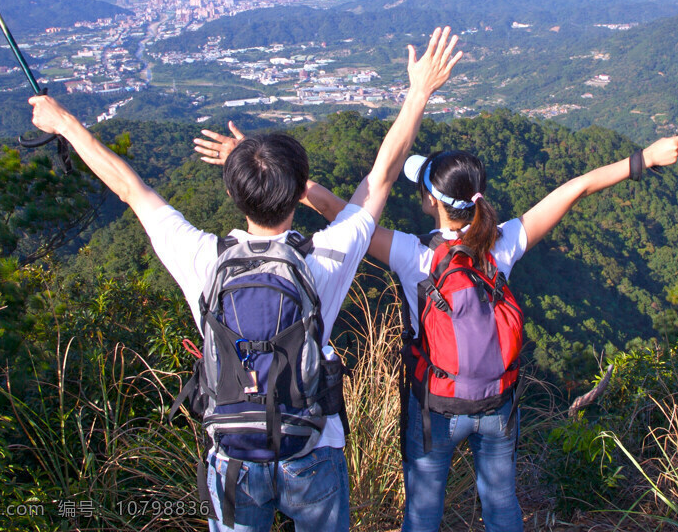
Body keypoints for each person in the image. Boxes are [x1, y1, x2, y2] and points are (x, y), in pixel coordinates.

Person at [29, 27, 462, 532]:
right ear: (300, 190)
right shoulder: (323, 256)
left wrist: (64, 123)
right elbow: (383, 173)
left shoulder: (205, 260)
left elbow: (129, 187)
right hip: (313, 449)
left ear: (234, 195)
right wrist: (418, 92)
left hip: (231, 455)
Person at [197, 127, 678, 532]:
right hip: (498, 402)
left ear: (432, 203)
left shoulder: (416, 257)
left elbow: (344, 216)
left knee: (423, 514)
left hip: (433, 407)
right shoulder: (503, 246)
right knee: (501, 504)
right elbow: (575, 188)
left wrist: (267, 174)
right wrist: (646, 157)